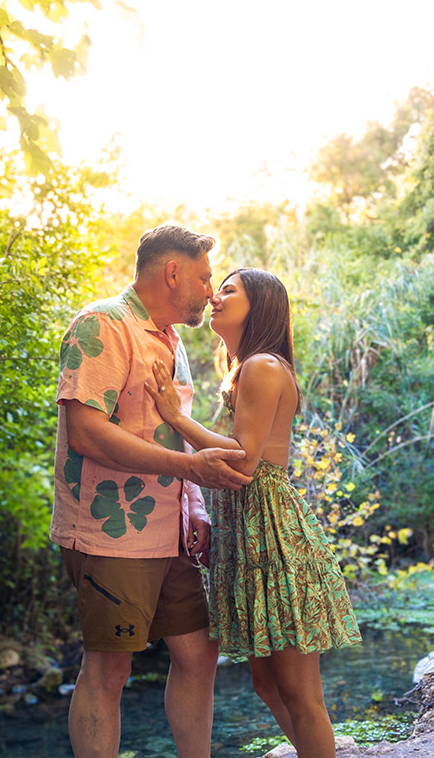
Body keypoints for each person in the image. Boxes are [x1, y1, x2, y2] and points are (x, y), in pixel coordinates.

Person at [51, 224, 253, 758]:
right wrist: (193, 473)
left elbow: (176, 438)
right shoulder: (101, 325)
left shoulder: (171, 339)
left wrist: (196, 507)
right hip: (109, 535)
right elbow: (87, 432)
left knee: (198, 654)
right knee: (110, 667)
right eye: (206, 278)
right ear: (172, 272)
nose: (211, 291)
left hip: (173, 536)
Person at [145, 267, 362, 758]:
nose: (214, 296)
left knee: (300, 692)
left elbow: (244, 460)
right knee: (268, 682)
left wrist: (175, 417)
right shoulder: (247, 366)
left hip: (274, 534)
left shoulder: (263, 365)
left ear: (259, 304)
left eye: (228, 290)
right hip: (250, 531)